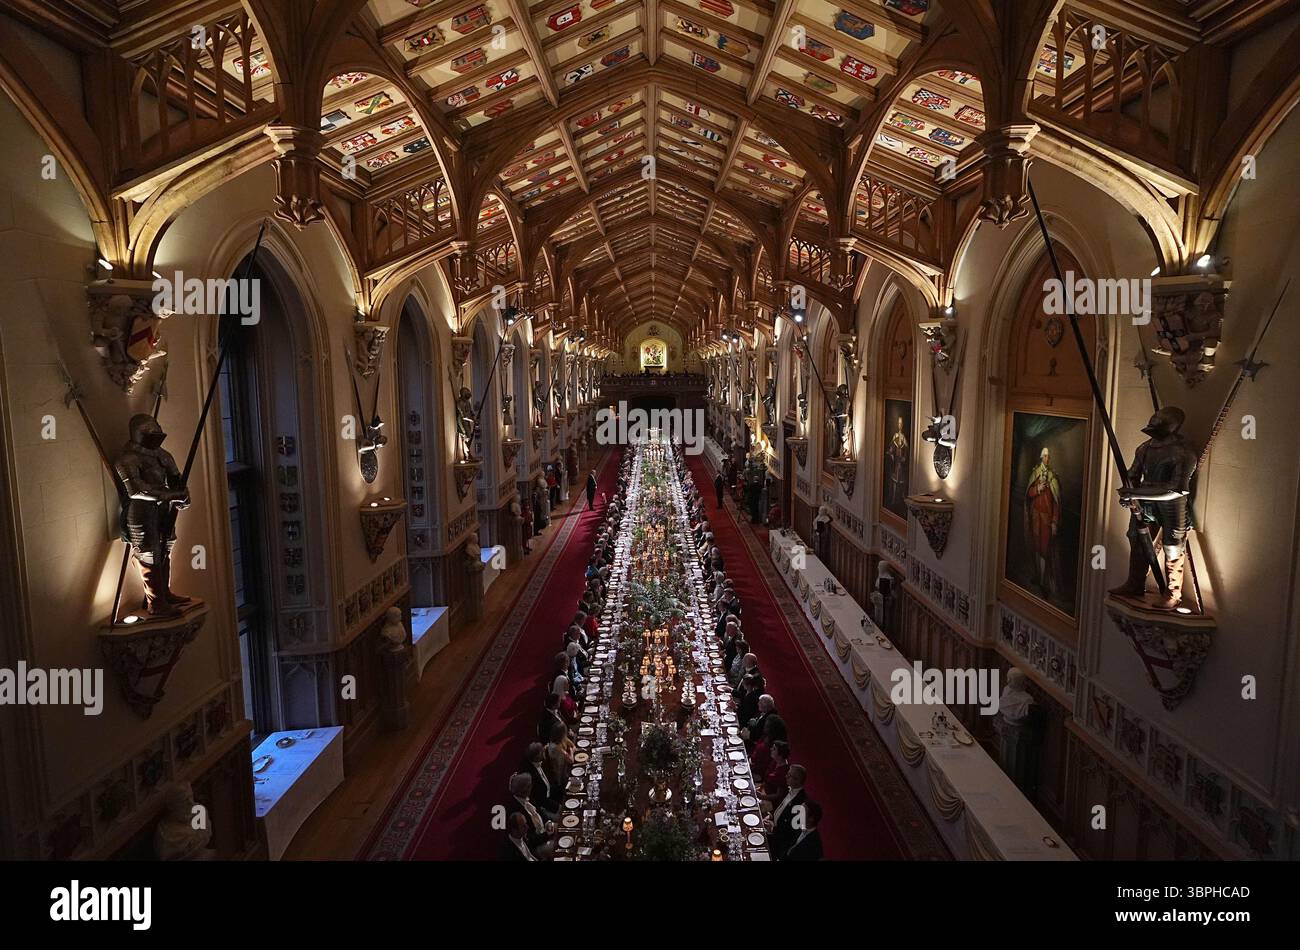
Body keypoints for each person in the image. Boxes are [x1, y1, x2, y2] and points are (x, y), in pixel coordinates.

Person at [766, 764, 808, 859]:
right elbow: (781, 807)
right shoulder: (790, 789)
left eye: (789, 775)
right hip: (772, 828)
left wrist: (773, 830)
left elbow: (792, 834)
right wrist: (770, 815)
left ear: (797, 780)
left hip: (777, 842)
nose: (786, 776)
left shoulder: (801, 805)